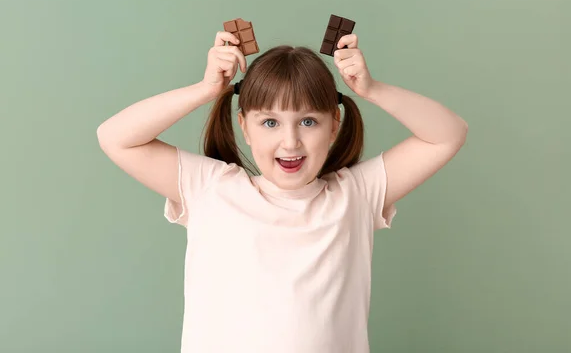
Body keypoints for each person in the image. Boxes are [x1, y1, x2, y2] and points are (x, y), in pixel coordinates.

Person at [97, 30, 468, 353]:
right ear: (244, 126)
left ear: (333, 125)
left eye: (308, 121)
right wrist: (205, 90)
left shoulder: (356, 195)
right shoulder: (209, 188)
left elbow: (448, 134)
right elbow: (115, 138)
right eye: (270, 122)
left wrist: (372, 89)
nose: (290, 142)